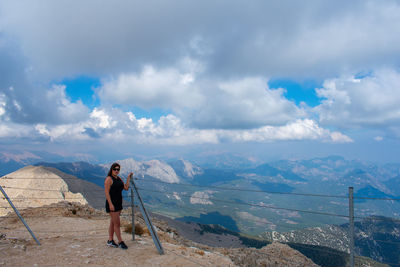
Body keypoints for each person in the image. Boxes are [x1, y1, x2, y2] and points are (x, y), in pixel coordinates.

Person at [104, 162, 133, 249]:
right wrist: (110, 204)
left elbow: (126, 188)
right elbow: (106, 192)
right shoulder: (109, 179)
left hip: (119, 203)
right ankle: (120, 241)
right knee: (117, 223)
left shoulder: (118, 178)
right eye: (115, 169)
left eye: (118, 169)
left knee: (113, 223)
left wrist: (128, 178)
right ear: (111, 169)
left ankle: (110, 240)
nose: (116, 171)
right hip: (112, 204)